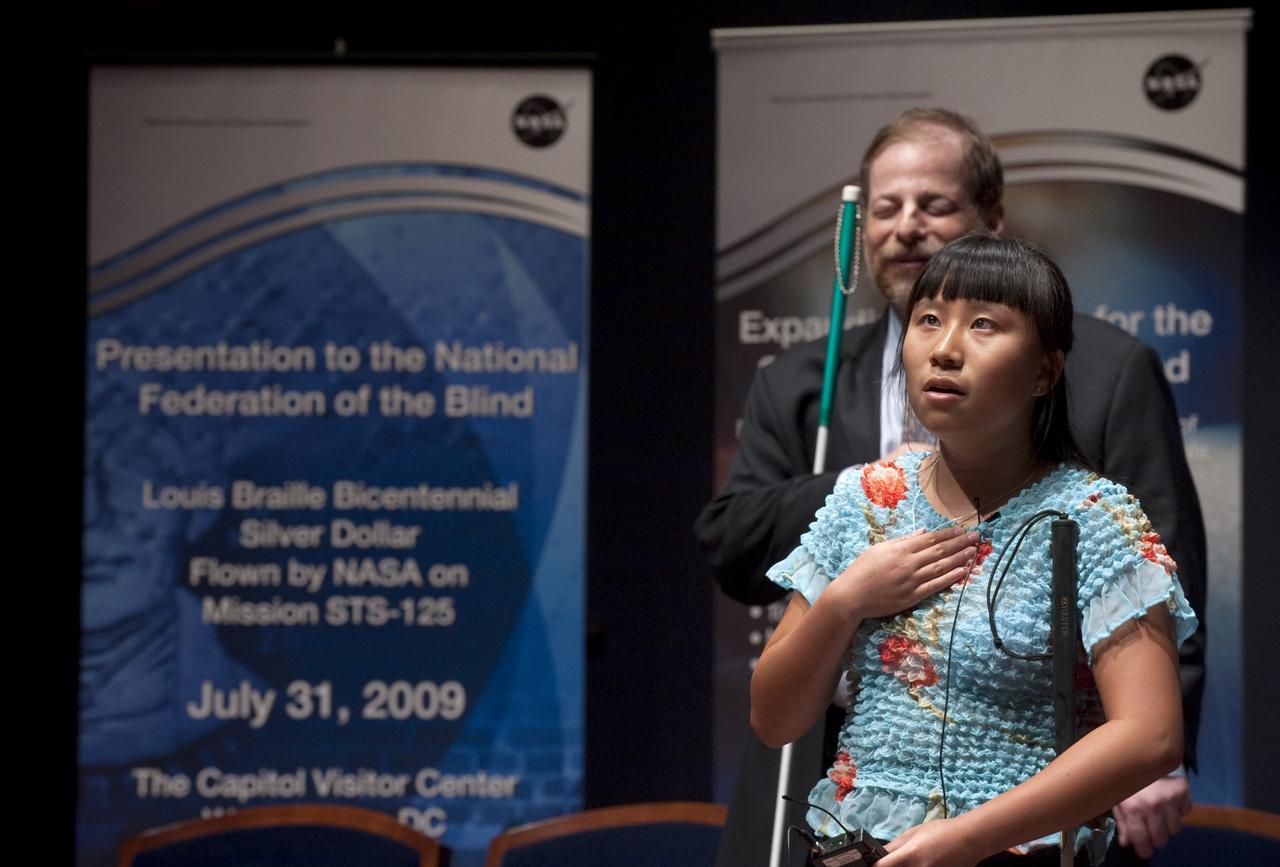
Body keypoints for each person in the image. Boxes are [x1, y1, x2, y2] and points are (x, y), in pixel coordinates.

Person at [696, 108, 1205, 864]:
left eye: (983, 325)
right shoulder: (864, 498)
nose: (946, 348)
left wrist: (963, 838)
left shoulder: (1093, 513)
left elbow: (1150, 729)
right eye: (929, 321)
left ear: (1044, 369)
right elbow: (772, 716)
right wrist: (845, 598)